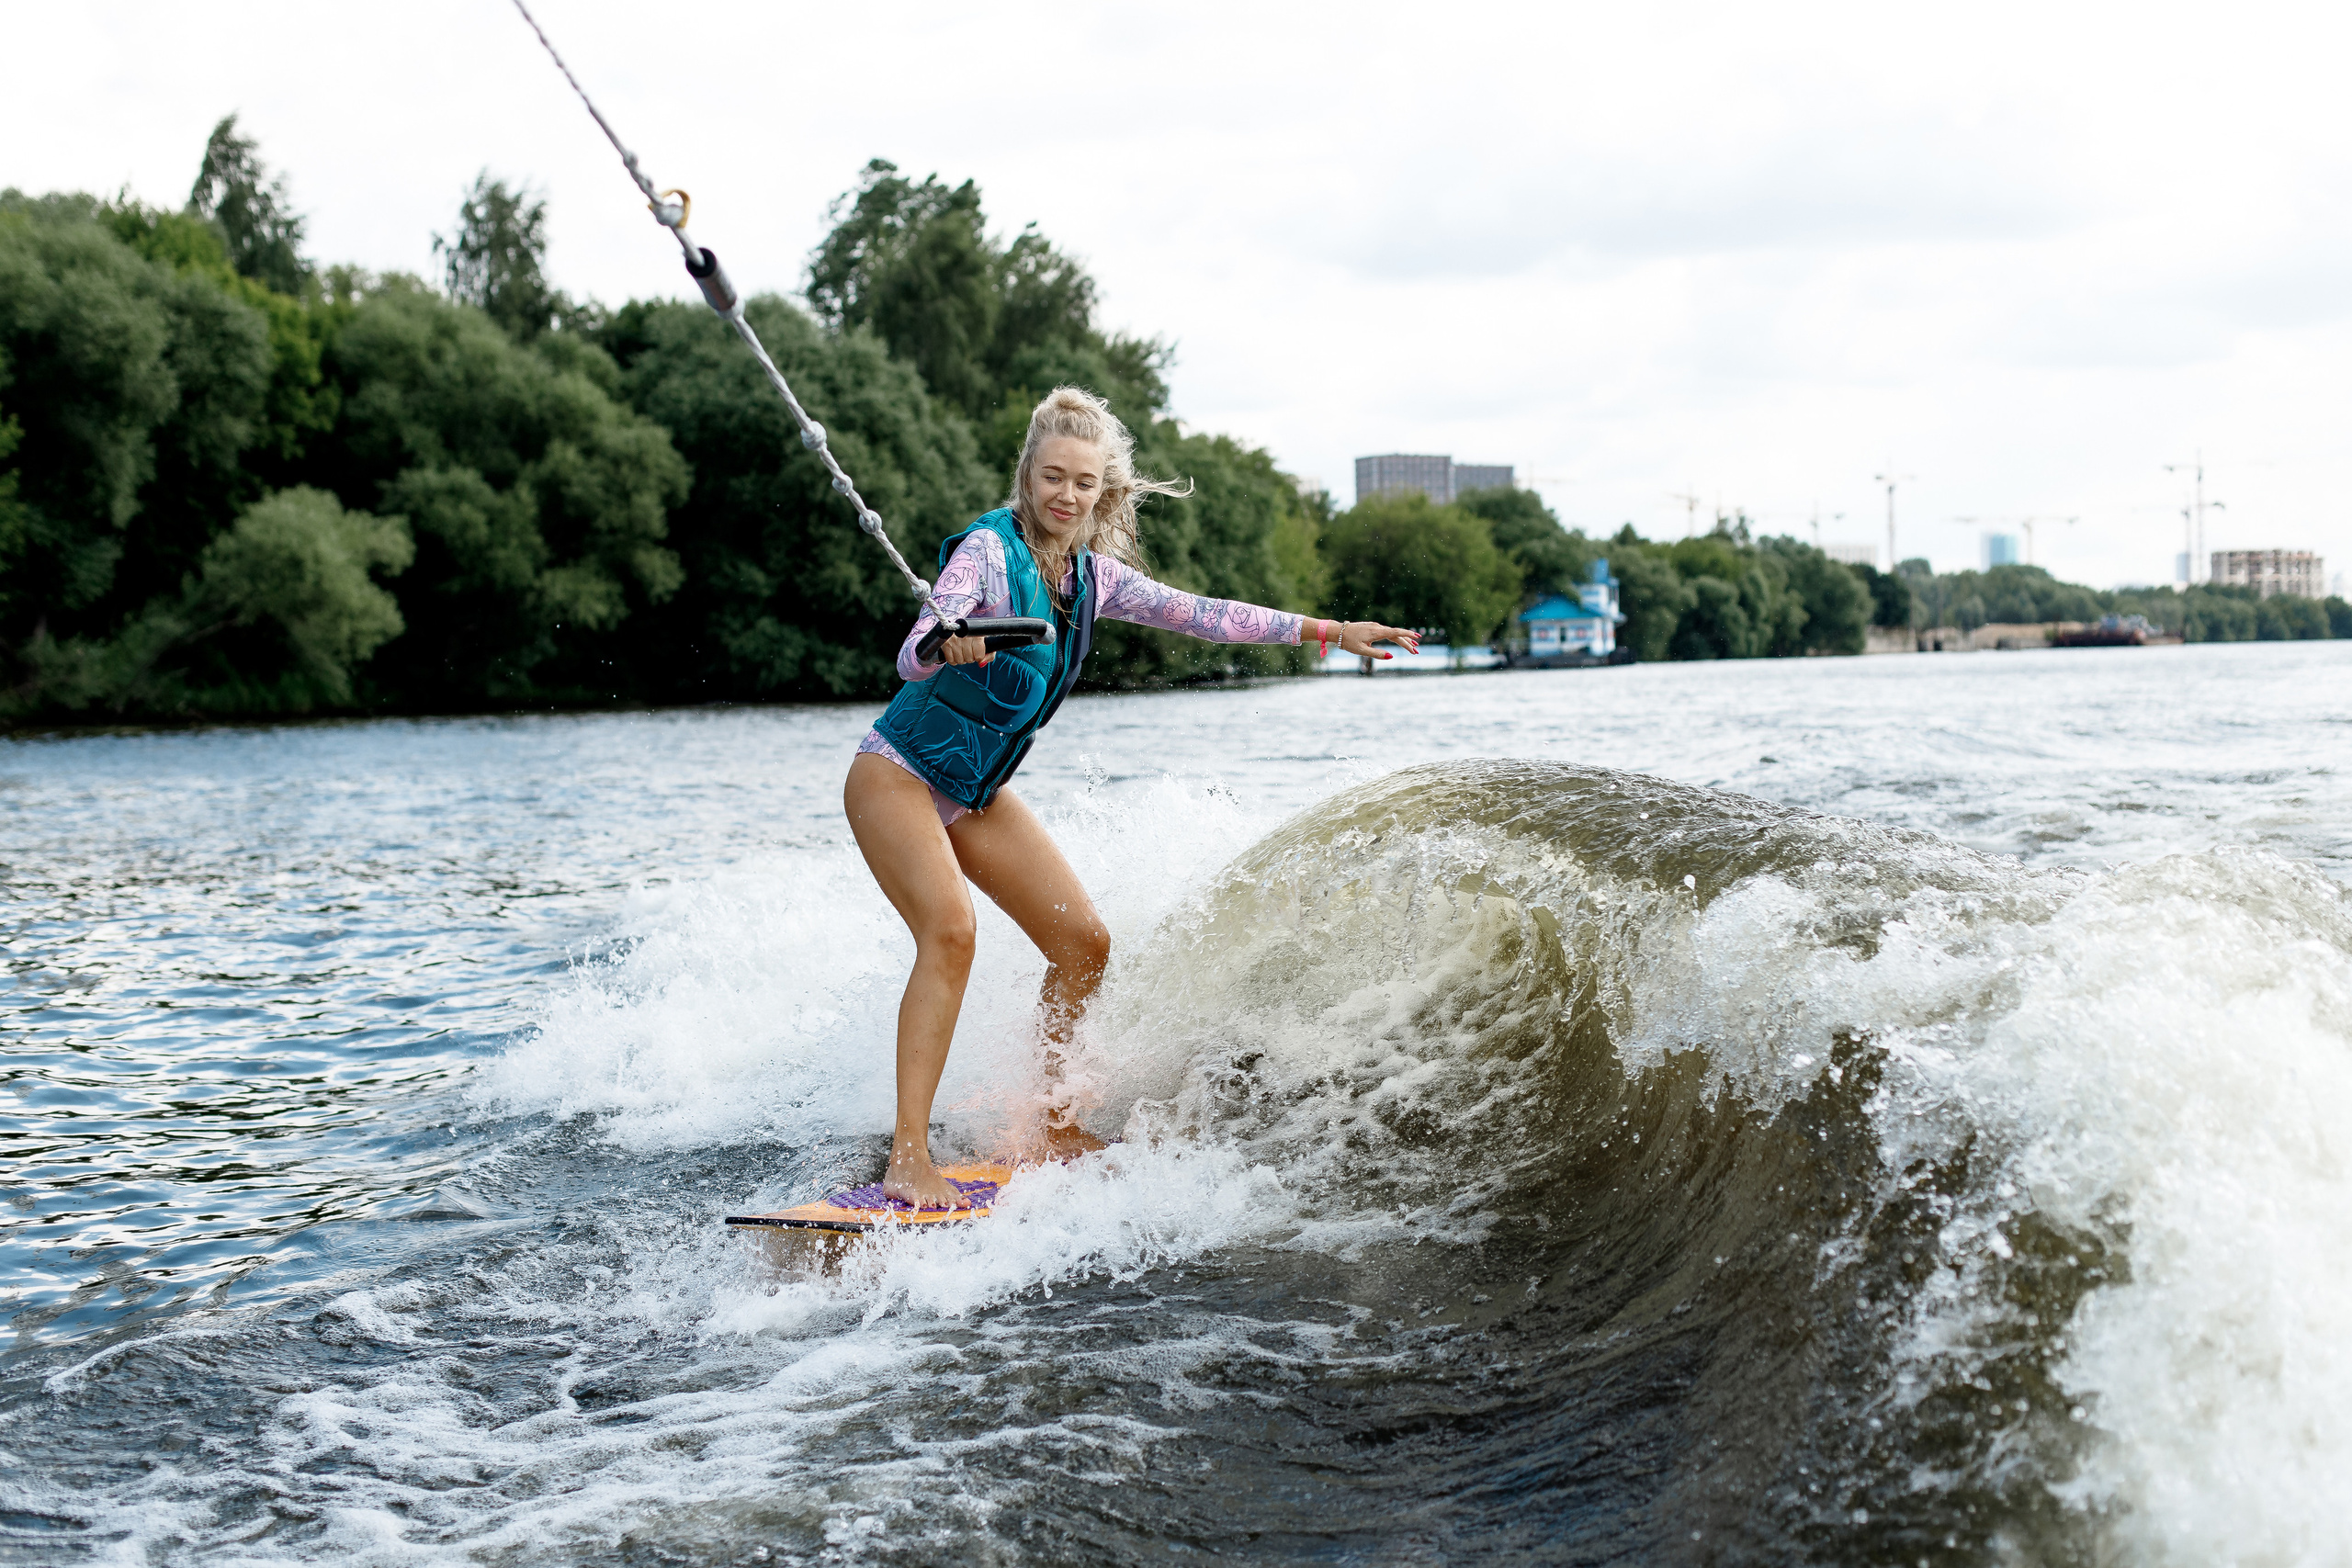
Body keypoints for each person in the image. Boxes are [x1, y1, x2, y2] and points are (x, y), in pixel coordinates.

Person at [843, 386, 1420, 1209]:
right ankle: (909, 1156)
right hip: (897, 771)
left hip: (973, 789)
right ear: (1027, 475)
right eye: (1052, 477)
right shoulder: (986, 552)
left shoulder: (1093, 578)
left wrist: (1332, 632)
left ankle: (1047, 1121)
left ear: (1103, 490)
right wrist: (949, 641)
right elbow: (910, 656)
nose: (1066, 495)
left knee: (1084, 945)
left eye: (1084, 482)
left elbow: (1207, 616)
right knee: (951, 931)